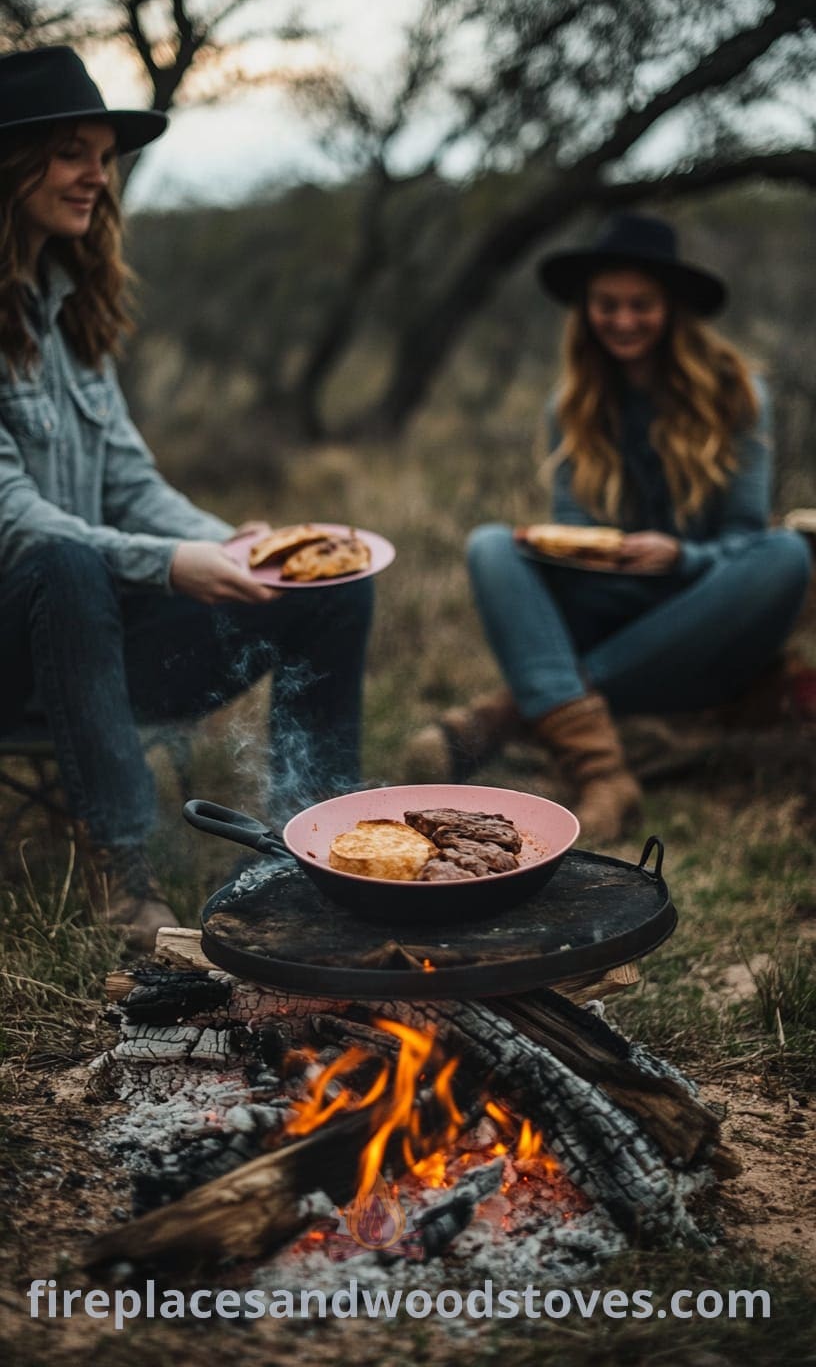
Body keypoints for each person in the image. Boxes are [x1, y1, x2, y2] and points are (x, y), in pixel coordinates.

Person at [0, 47, 373, 948]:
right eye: (71, 151)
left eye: (103, 153)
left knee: (328, 585)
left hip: (97, 659)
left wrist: (240, 552)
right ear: (11, 169)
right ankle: (125, 874)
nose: (98, 174)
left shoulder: (67, 306)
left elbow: (129, 480)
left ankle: (307, 847)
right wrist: (170, 566)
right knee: (64, 560)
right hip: (15, 658)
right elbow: (13, 517)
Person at [405, 212, 812, 842]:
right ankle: (603, 773)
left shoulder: (739, 393)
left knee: (786, 554)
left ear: (673, 309)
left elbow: (743, 536)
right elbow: (575, 529)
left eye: (641, 305)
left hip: (708, 617)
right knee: (490, 545)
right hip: (617, 605)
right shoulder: (571, 403)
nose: (623, 320)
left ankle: (505, 716)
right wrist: (569, 552)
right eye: (607, 305)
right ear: (586, 310)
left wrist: (679, 557)